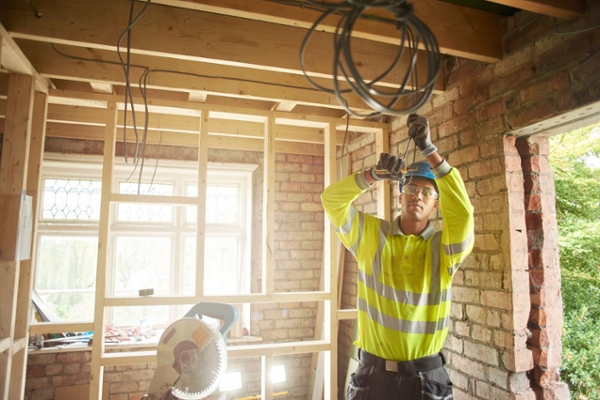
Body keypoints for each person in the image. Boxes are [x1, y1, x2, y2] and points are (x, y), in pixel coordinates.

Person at [321, 114, 474, 399]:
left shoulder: (444, 249)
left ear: (435, 205)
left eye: (427, 193)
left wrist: (429, 150)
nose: (418, 196)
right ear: (400, 195)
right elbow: (331, 201)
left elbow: (463, 214)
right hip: (372, 377)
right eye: (412, 188)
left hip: (425, 379)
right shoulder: (371, 236)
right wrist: (373, 175)